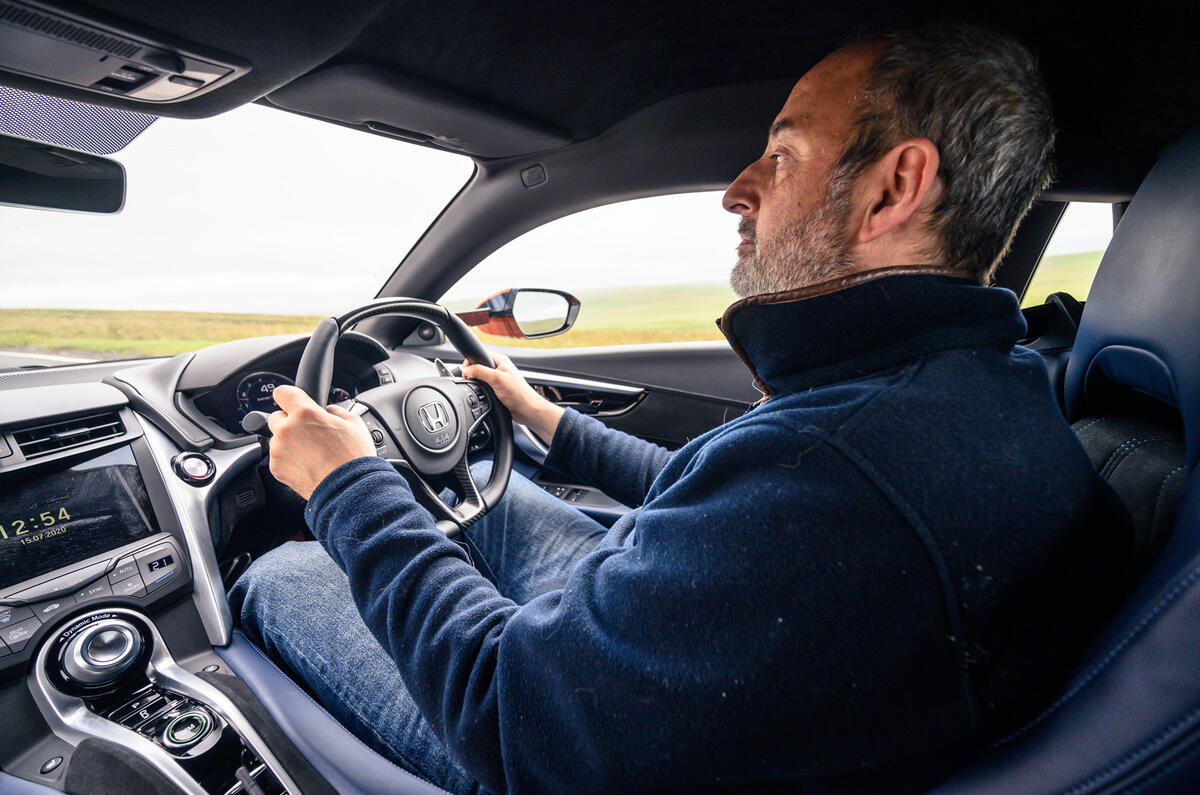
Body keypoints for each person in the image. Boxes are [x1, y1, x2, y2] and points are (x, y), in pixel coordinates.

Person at [232, 23, 1135, 794]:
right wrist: (539, 414)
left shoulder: (836, 464)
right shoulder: (974, 388)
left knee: (281, 575)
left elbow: (508, 716)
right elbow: (719, 500)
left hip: (551, 737)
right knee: (487, 488)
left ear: (893, 188)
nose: (739, 189)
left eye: (780, 154)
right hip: (697, 673)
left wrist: (350, 483)